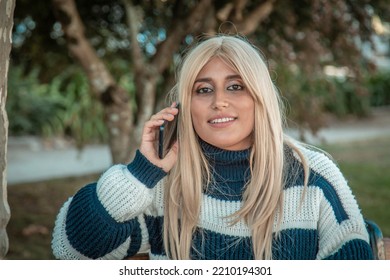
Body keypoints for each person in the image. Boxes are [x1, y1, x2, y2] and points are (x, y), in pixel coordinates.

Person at [51, 34, 373, 260]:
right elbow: (72, 250)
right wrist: (140, 172)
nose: (219, 101)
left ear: (260, 97)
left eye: (235, 86)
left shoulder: (310, 175)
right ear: (185, 105)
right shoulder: (164, 184)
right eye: (203, 90)